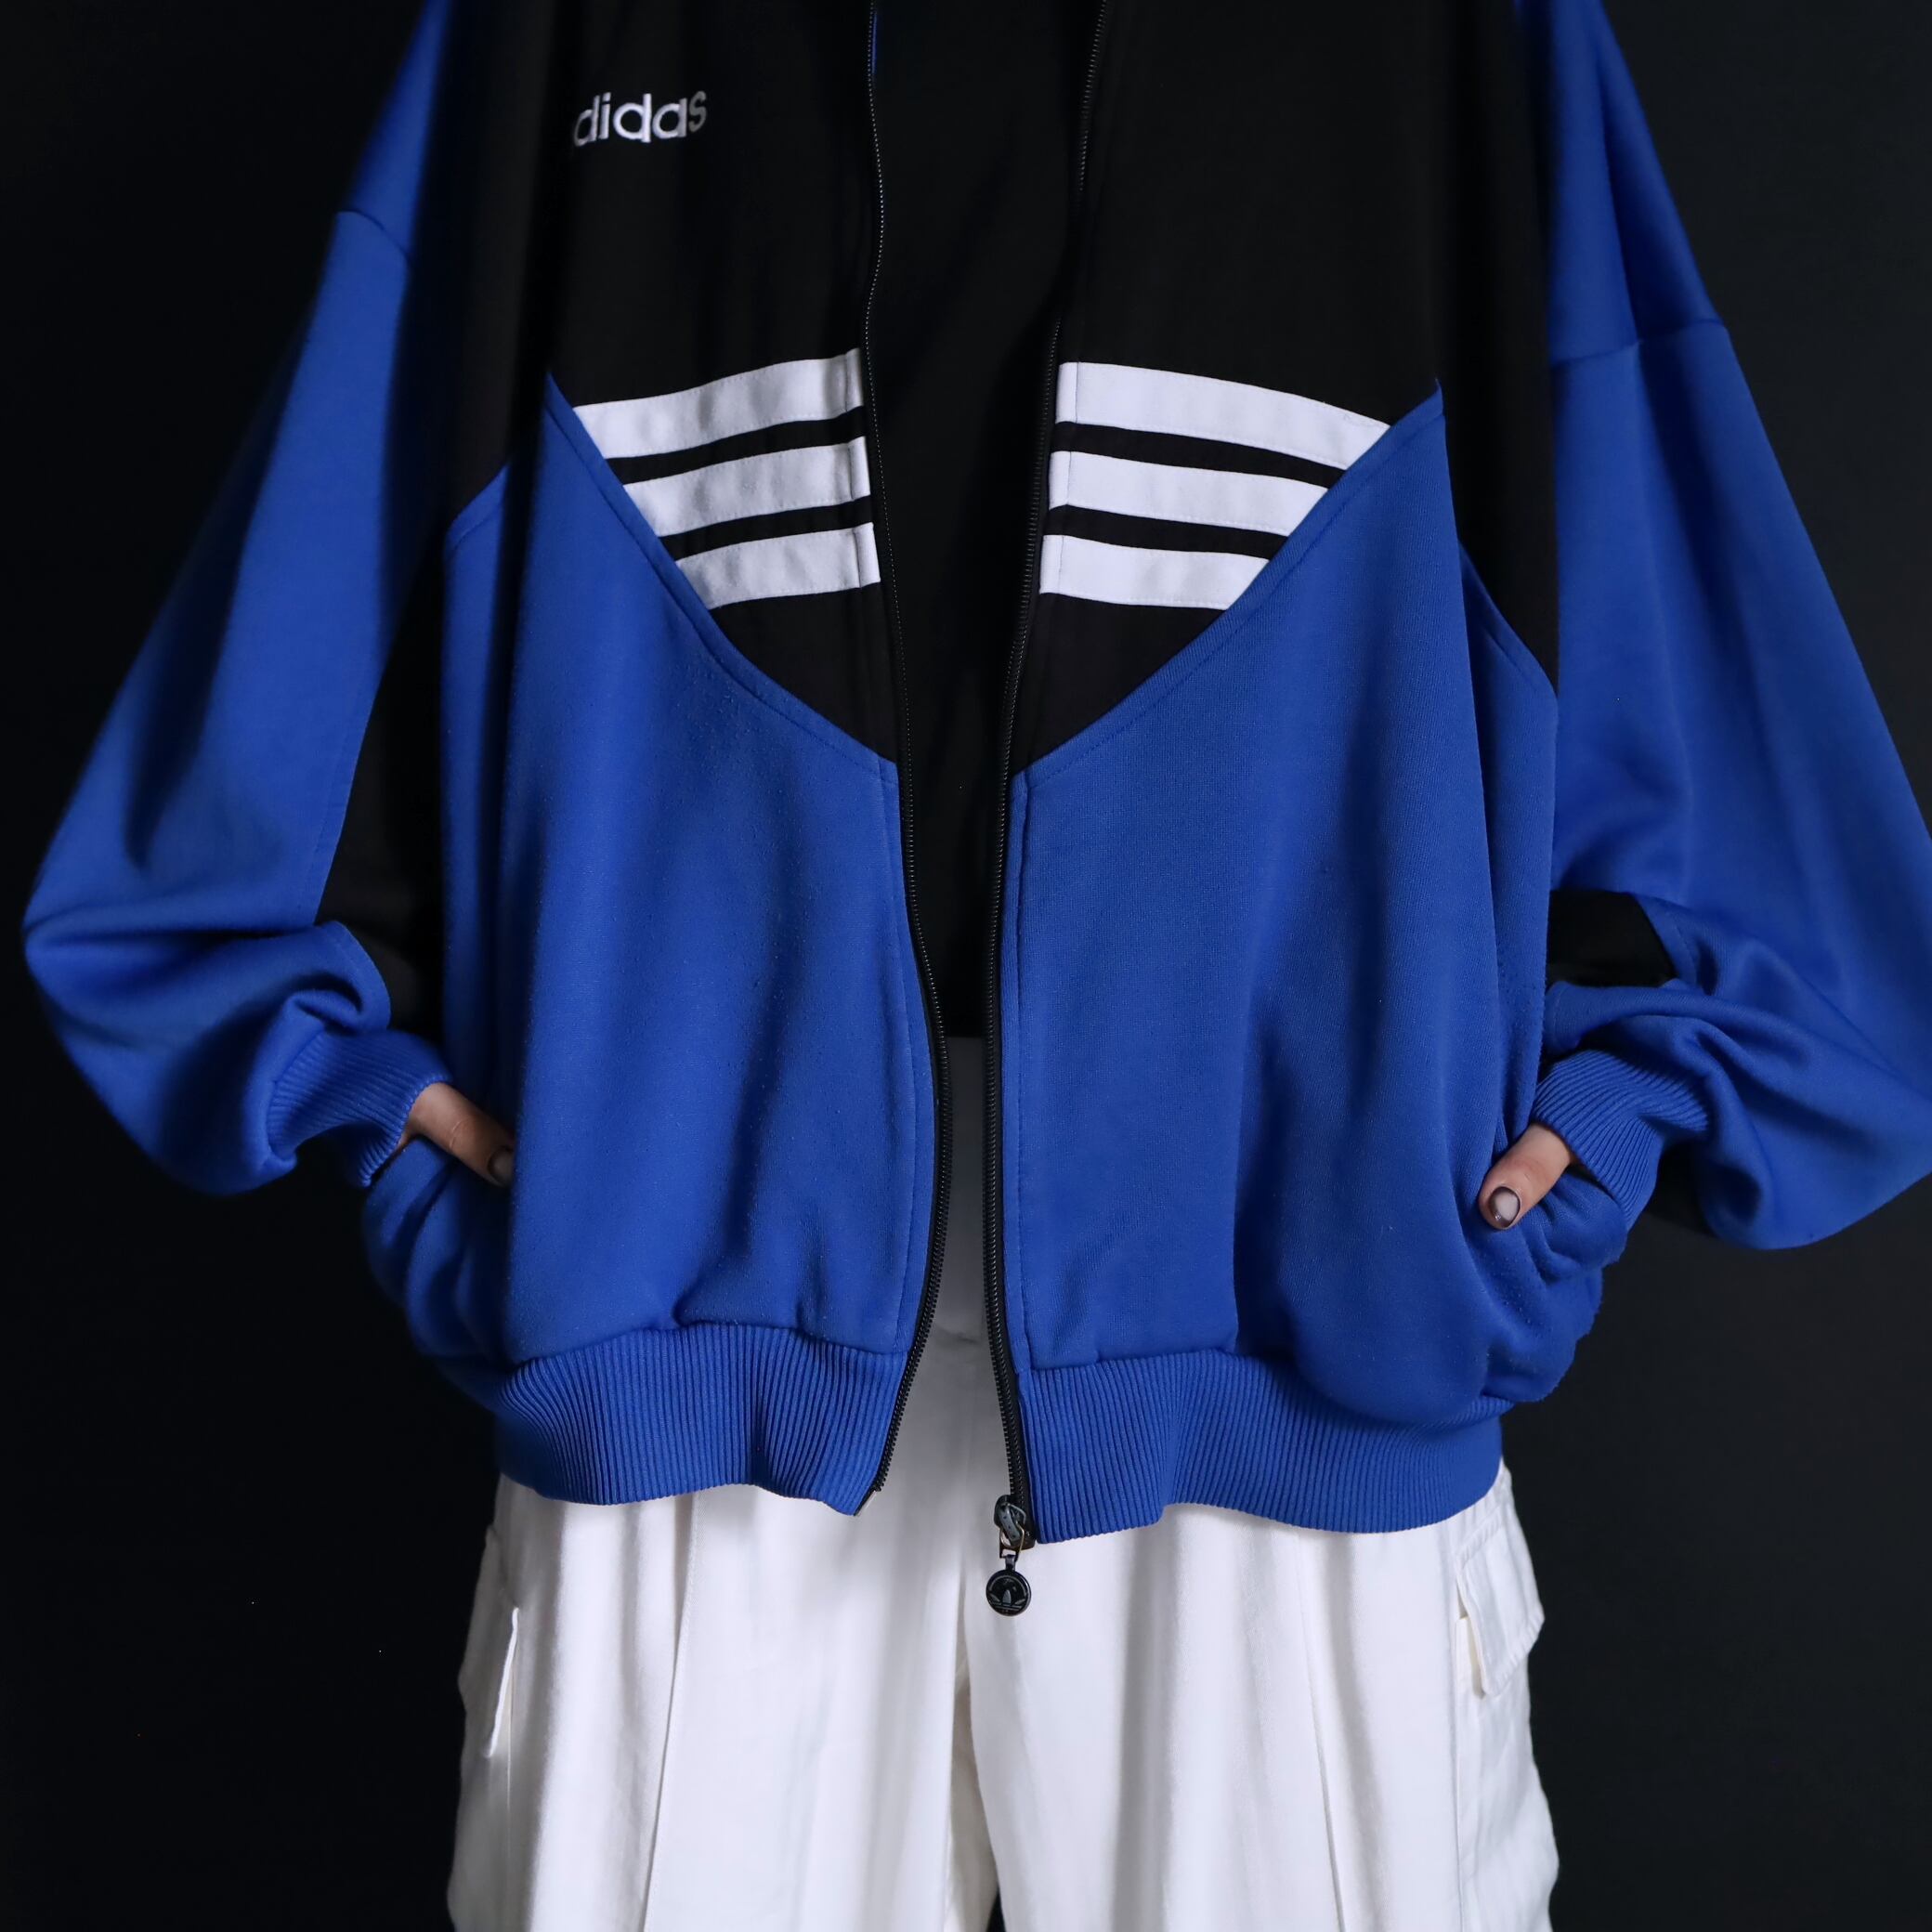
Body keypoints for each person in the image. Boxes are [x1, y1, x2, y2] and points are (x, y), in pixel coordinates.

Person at [22, 2, 1932, 1927]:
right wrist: (353, 1087)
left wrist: (1615, 1116)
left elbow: (1655, 596)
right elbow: (325, 600)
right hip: (673, 1333)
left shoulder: (1448, 35)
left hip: (1295, 1315)